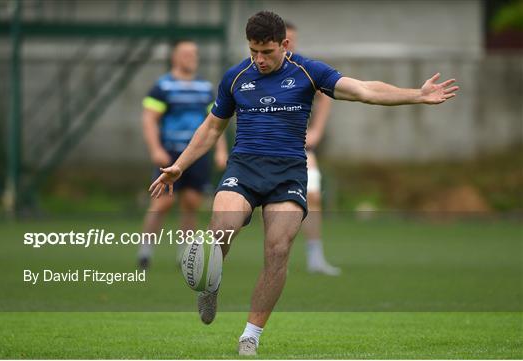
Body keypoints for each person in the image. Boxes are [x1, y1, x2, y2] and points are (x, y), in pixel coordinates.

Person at [149, 11, 458, 356]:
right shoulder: (236, 78)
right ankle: (209, 282)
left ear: (285, 44)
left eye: (266, 52)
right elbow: (210, 128)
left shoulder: (309, 72)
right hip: (244, 168)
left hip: (288, 173)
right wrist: (179, 165)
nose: (259, 59)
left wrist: (416, 94)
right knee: (221, 227)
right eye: (253, 51)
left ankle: (250, 335)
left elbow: (363, 90)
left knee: (278, 249)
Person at [138, 40, 227, 269]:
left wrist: (220, 151)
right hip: (170, 153)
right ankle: (145, 251)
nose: (191, 57)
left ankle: (184, 254)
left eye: (194, 53)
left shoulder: (205, 87)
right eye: (186, 54)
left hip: (196, 155)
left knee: (191, 202)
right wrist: (155, 149)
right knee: (161, 203)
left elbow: (215, 123)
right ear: (175, 57)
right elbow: (149, 119)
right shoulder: (163, 86)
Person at [285, 20, 341, 276]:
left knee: (313, 195)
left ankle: (315, 257)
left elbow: (327, 95)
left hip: (299, 147)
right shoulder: (255, 71)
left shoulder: (303, 69)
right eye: (286, 39)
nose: (290, 44)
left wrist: (316, 131)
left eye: (292, 39)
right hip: (265, 152)